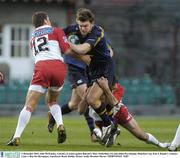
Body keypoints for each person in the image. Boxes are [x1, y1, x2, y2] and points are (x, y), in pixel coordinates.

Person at [7, 11, 74, 146]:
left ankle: (17, 136)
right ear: (45, 21)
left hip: (42, 66)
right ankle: (60, 124)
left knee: (29, 105)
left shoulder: (32, 38)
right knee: (52, 100)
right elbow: (66, 49)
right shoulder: (56, 31)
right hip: (58, 67)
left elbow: (39, 53)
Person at [67, 8, 118, 146]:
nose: (82, 29)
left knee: (94, 98)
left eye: (86, 26)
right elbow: (60, 32)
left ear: (92, 23)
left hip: (104, 68)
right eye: (80, 26)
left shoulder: (97, 32)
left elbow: (82, 49)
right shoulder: (75, 29)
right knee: (82, 107)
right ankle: (110, 125)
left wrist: (66, 44)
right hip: (92, 70)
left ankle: (111, 125)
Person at [90, 77, 170, 149]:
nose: (115, 87)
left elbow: (113, 103)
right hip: (101, 116)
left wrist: (106, 89)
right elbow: (92, 102)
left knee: (140, 135)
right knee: (103, 141)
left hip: (118, 111)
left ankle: (160, 144)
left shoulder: (118, 89)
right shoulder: (94, 86)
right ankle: (100, 133)